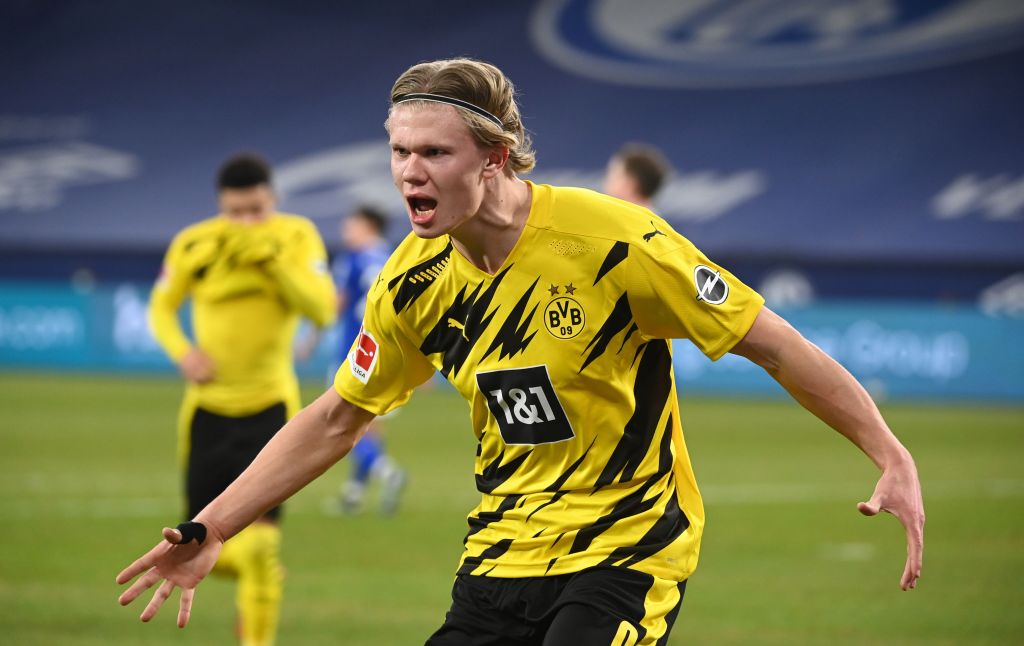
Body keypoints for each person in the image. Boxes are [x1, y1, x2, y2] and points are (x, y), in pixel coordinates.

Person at [118, 59, 924, 645]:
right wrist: (212, 526)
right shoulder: (412, 279)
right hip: (501, 556)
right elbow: (337, 417)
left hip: (626, 549)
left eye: (434, 153)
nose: (409, 173)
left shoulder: (613, 241)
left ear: (495, 156)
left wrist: (889, 452)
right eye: (399, 152)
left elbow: (774, 344)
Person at [144, 152, 336, 645]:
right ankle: (257, 575)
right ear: (220, 206)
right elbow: (161, 308)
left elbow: (322, 309)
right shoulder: (194, 242)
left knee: (260, 550)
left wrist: (275, 263)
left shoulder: (295, 236)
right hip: (207, 415)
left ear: (274, 199)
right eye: (237, 212)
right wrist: (183, 352)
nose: (248, 222)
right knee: (197, 544)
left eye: (257, 210)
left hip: (271, 414)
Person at [327, 205, 406, 515]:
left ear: (368, 226)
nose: (346, 231)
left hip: (355, 354)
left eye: (352, 225)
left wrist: (310, 335)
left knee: (344, 424)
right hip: (388, 353)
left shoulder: (352, 260)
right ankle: (354, 493)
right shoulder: (396, 257)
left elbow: (336, 305)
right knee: (369, 426)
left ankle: (388, 472)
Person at [602, 142, 672, 209]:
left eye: (614, 176)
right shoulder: (655, 217)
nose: (605, 182)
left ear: (629, 183)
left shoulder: (617, 216)